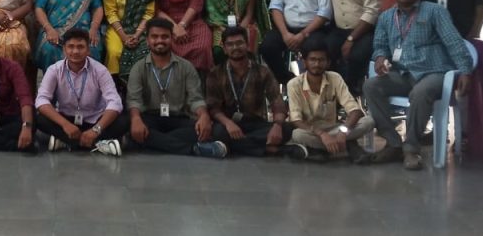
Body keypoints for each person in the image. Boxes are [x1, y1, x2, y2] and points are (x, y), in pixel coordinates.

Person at [363, 0, 473, 170]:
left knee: (420, 92)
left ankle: (411, 149)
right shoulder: (386, 17)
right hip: (403, 74)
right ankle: (393, 143)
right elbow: (380, 46)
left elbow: (454, 42)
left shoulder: (434, 11)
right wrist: (380, 57)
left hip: (434, 73)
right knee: (371, 85)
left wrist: (465, 70)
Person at [126, 19, 227, 158]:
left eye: (165, 37)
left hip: (179, 118)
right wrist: (136, 119)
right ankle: (194, 149)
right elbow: (134, 100)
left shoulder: (186, 67)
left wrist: (203, 115)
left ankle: (149, 142)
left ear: (172, 39)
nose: (160, 41)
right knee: (130, 124)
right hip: (151, 118)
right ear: (147, 41)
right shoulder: (138, 68)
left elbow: (195, 98)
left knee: (215, 129)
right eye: (154, 37)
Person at [207, 26, 303, 158]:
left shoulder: (262, 71)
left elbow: (277, 102)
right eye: (230, 44)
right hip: (228, 123)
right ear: (224, 48)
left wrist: (277, 125)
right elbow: (213, 108)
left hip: (255, 123)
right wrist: (228, 123)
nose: (235, 47)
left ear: (247, 45)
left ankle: (232, 147)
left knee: (287, 129)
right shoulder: (216, 73)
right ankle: (271, 150)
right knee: (218, 132)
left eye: (239, 43)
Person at [34, 29, 126, 155]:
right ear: (64, 50)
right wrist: (65, 124)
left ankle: (67, 141)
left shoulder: (100, 70)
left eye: (80, 47)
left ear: (88, 50)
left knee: (124, 121)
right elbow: (41, 100)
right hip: (67, 120)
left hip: (95, 120)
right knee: (38, 118)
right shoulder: (54, 70)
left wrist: (96, 130)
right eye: (71, 47)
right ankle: (98, 144)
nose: (75, 51)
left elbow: (115, 102)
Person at [287, 40, 375, 161]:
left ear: (328, 63)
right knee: (297, 134)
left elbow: (355, 111)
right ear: (304, 62)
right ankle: (348, 145)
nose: (317, 64)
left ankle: (322, 149)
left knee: (369, 121)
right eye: (312, 59)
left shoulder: (335, 78)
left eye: (321, 60)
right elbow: (296, 120)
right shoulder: (294, 84)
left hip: (335, 129)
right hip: (311, 132)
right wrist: (322, 134)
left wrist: (343, 132)